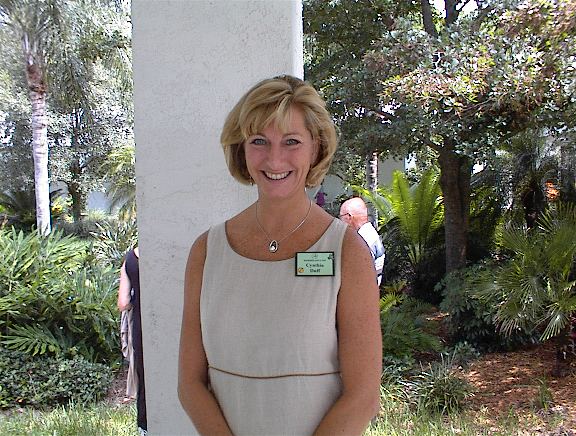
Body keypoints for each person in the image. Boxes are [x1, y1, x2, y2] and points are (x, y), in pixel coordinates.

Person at [178, 75, 381, 436]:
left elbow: (363, 396)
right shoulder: (206, 252)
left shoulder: (347, 253)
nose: (274, 159)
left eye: (291, 142)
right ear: (241, 148)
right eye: (259, 141)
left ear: (315, 148)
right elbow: (190, 384)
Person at [117, 246, 147, 435]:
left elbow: (123, 303)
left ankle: (145, 428)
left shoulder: (130, 259)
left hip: (140, 327)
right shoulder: (166, 254)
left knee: (144, 379)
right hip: (169, 326)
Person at [339, 198, 385, 285]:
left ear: (349, 217)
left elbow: (359, 274)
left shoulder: (362, 240)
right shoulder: (369, 233)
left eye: (341, 217)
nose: (341, 221)